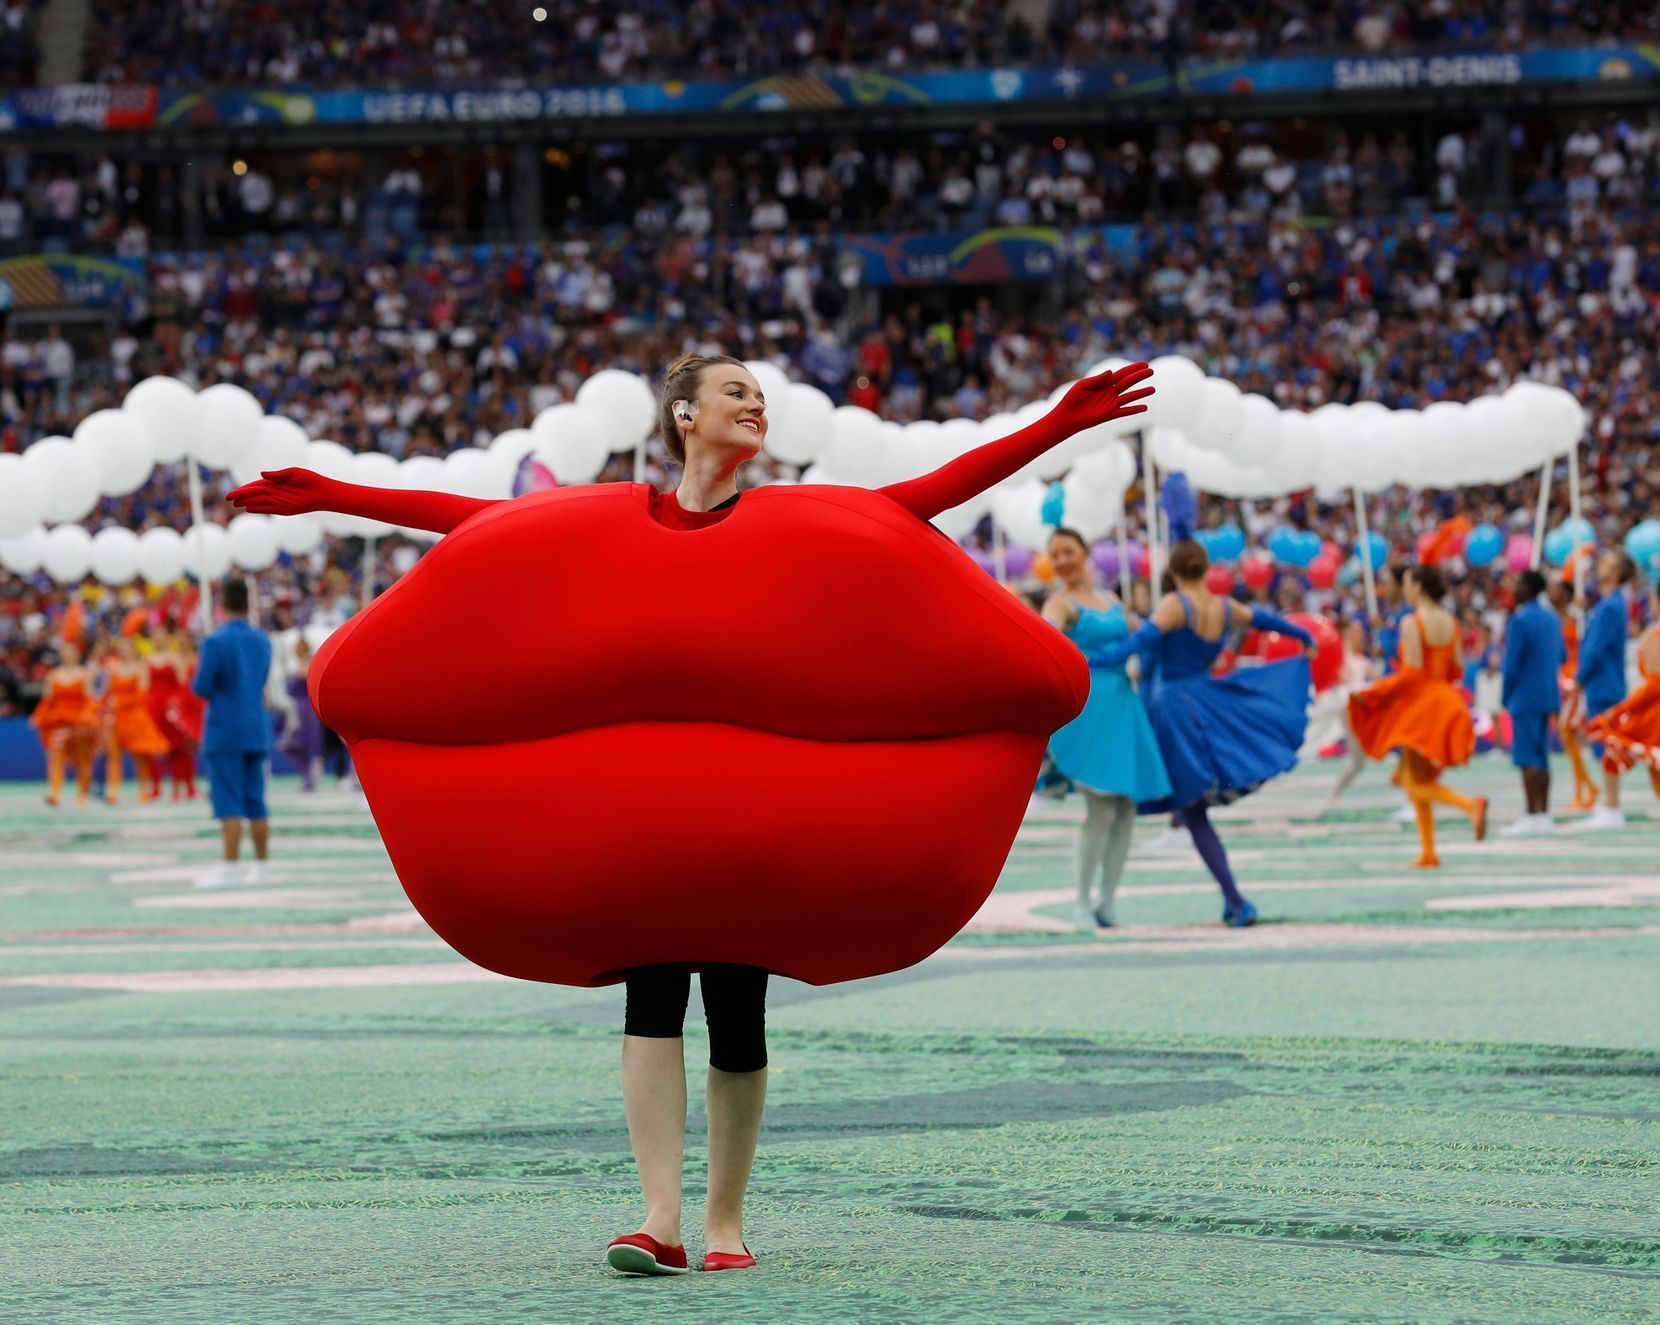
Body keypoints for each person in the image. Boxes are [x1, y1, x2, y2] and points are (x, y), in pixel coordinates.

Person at [229, 354, 1154, 1277]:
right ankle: (659, 1218)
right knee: (653, 999)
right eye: (736, 393)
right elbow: (487, 527)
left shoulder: (796, 516)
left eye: (760, 397)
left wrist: (1055, 429)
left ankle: (725, 1222)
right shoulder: (614, 515)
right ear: (684, 414)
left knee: (739, 1013)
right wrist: (335, 494)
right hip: (643, 832)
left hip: (754, 827)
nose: (756, 407)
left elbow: (925, 496)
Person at [1086, 537, 1314, 927]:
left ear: (1173, 573)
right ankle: (1233, 900)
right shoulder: (1224, 606)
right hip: (1206, 703)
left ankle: (1233, 900)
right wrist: (1305, 638)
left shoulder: (1176, 604)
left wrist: (1088, 659)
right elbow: (1266, 620)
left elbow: (1135, 645)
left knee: (1142, 805)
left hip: (1171, 709)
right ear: (1206, 569)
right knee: (1192, 812)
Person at [1039, 527, 1171, 931]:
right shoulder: (1059, 604)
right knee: (1100, 809)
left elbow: (1142, 632)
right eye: (1054, 554)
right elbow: (1043, 637)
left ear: (1085, 552)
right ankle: (1081, 901)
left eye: (1068, 551)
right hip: (1091, 707)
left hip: (1123, 706)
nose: (1061, 560)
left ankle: (1107, 900)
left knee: (1126, 809)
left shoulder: (1111, 599)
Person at [1348, 565, 1488, 867]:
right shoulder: (1451, 621)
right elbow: (1457, 668)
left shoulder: (1413, 622)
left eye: (1409, 583)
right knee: (1418, 776)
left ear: (1419, 587)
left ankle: (1469, 805)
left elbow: (1410, 673)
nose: (1406, 588)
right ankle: (1428, 850)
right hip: (1444, 699)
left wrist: (1375, 690)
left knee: (1415, 782)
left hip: (1420, 705)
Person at [193, 579, 274, 888]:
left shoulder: (215, 642)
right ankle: (262, 866)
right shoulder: (262, 640)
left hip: (224, 729)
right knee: (256, 798)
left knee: (227, 799)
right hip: (255, 725)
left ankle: (230, 867)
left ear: (222, 603)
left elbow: (202, 686)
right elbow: (262, 678)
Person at [1499, 569, 1566, 836]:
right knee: (1542, 756)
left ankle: (1531, 814)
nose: (1513, 589)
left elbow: (1511, 665)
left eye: (1518, 584)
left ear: (1527, 588)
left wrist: (1506, 695)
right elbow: (1561, 655)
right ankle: (1544, 813)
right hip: (1547, 694)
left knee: (1527, 757)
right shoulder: (1552, 619)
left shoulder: (1520, 620)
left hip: (1524, 696)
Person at [1576, 550, 1636, 829]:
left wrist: (1580, 677)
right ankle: (1610, 803)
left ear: (1616, 573)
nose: (1600, 564)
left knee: (1607, 744)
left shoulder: (1611, 605)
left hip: (1604, 683)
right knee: (1604, 744)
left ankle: (1613, 806)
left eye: (1607, 562)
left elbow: (1596, 648)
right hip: (1603, 681)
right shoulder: (1607, 603)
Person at [1586, 581, 1660, 804]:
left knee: (1613, 741)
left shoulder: (1654, 636)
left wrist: (1619, 711)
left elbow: (1655, 686)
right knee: (1652, 764)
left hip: (1653, 713)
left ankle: (1611, 807)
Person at [1547, 578, 1599, 811]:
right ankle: (1586, 786)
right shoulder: (1553, 618)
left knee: (1570, 733)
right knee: (1567, 737)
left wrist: (1582, 611)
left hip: (1572, 677)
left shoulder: (1576, 617)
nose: (1552, 592)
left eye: (1557, 589)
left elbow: (1584, 643)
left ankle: (1584, 789)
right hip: (1559, 676)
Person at [1317, 619, 1378, 812]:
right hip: (1349, 711)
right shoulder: (1340, 654)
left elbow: (1377, 679)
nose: (1360, 634)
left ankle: (1333, 794)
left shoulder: (1360, 659)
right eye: (1356, 630)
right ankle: (1333, 794)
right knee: (1358, 759)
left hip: (1363, 710)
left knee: (1359, 762)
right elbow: (1337, 678)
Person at [33, 640, 103, 807]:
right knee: (55, 757)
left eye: (71, 653)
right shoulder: (53, 675)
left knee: (83, 759)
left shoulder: (84, 674)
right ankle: (55, 793)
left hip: (79, 722)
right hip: (60, 721)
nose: (67, 656)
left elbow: (89, 699)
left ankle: (82, 796)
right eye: (65, 653)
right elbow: (47, 700)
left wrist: (88, 716)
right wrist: (39, 716)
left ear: (76, 655)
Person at [101, 636, 171, 804]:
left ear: (133, 650)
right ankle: (113, 791)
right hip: (116, 717)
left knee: (140, 756)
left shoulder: (141, 667)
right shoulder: (112, 667)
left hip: (134, 716)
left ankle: (143, 791)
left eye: (128, 648)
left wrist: (120, 701)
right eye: (122, 648)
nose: (124, 651)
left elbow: (142, 694)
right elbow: (106, 691)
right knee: (114, 755)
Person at [147, 631, 202, 800]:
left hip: (173, 706)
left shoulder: (175, 659)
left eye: (161, 638)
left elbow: (182, 682)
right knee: (157, 748)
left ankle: (186, 786)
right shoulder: (149, 660)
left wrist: (178, 704)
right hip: (156, 707)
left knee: (181, 748)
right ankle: (158, 786)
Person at [281, 636, 326, 792]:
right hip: (296, 709)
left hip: (305, 711)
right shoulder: (299, 664)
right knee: (290, 746)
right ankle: (308, 775)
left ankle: (310, 776)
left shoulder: (309, 664)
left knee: (305, 744)